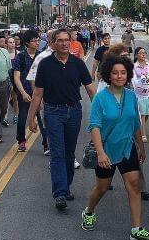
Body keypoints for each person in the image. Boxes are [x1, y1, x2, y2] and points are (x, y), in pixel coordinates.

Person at [81, 55, 149, 240]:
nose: (119, 76)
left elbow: (135, 124)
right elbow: (95, 126)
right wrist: (100, 152)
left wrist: (141, 147)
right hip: (106, 150)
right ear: (109, 75)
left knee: (134, 185)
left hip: (127, 147)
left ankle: (136, 228)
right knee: (102, 187)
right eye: (115, 73)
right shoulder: (100, 98)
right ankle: (88, 211)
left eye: (123, 73)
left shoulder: (131, 96)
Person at [28, 28, 95, 210]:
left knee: (69, 152)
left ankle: (66, 187)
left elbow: (90, 89)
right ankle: (59, 193)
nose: (64, 43)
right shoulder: (46, 64)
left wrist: (100, 113)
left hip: (74, 111)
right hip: (53, 112)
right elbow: (37, 93)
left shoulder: (78, 64)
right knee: (57, 152)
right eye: (60, 40)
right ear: (53, 43)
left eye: (67, 40)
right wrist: (31, 118)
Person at [13, 30, 48, 154]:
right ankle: (21, 141)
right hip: (25, 92)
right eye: (34, 40)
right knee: (23, 117)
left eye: (38, 40)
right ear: (27, 43)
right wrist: (23, 93)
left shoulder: (42, 56)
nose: (37, 43)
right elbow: (16, 77)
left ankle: (46, 144)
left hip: (40, 93)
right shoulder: (20, 57)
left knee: (43, 119)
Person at [133, 47, 149, 142]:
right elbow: (133, 80)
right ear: (136, 55)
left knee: (147, 113)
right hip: (139, 94)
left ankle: (138, 127)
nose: (143, 54)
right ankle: (142, 134)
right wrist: (141, 83)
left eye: (144, 53)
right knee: (142, 113)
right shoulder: (134, 67)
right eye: (141, 53)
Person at [6, 36, 19, 124]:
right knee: (6, 98)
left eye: (13, 42)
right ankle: (5, 116)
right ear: (6, 44)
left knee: (15, 98)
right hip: (6, 77)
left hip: (15, 78)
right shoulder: (4, 53)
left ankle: (16, 115)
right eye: (10, 42)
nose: (12, 44)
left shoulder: (18, 53)